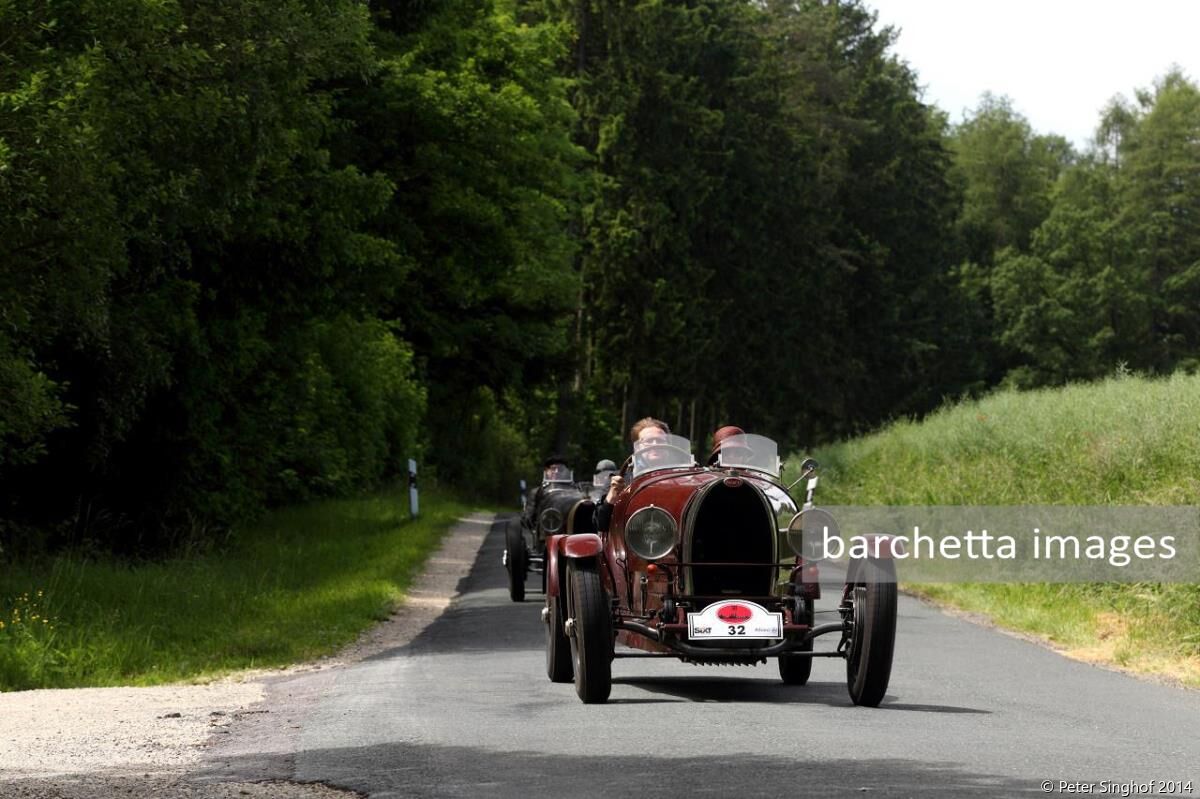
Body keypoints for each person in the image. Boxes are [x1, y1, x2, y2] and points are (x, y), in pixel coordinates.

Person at [594, 417, 670, 533]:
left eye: (660, 441)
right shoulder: (619, 478)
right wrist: (613, 496)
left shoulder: (682, 477)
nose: (655, 445)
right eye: (649, 441)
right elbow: (600, 524)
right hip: (629, 540)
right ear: (637, 447)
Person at [522, 454, 572, 530]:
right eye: (553, 469)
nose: (556, 472)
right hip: (547, 528)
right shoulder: (537, 492)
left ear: (566, 471)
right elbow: (528, 517)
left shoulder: (574, 489)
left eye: (560, 469)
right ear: (546, 471)